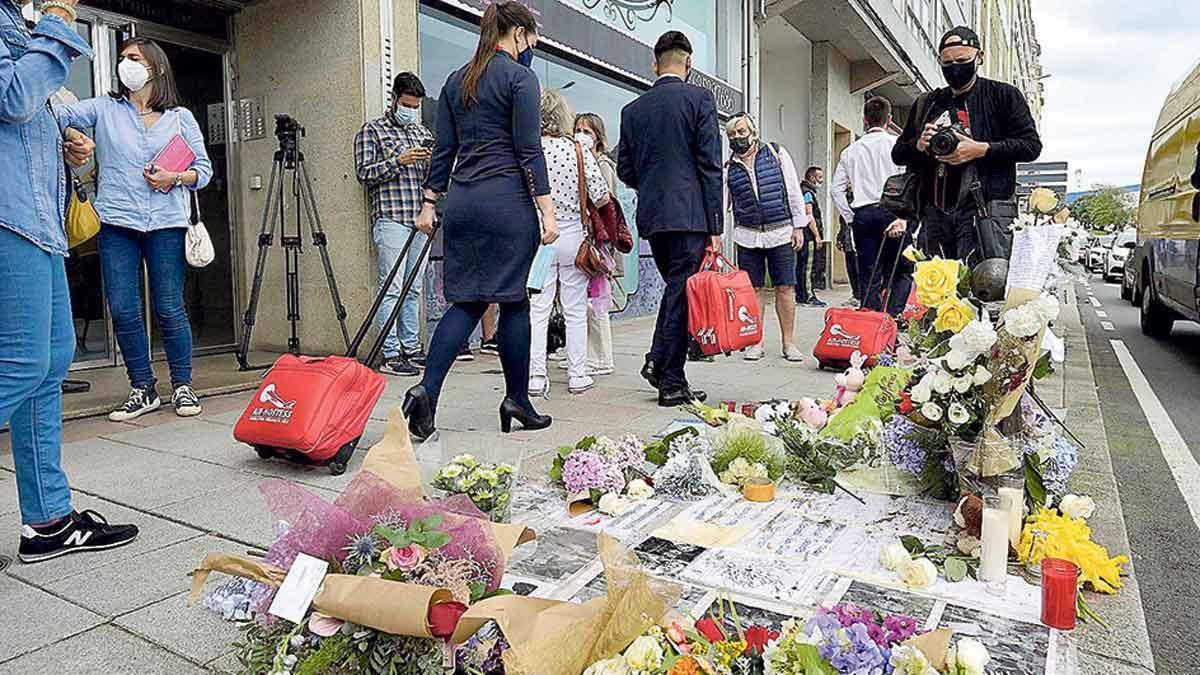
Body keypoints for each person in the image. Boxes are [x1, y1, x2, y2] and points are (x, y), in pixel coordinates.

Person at [2, 0, 139, 563]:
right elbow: (12, 98)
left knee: (50, 363)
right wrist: (58, 17)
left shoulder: (16, 20)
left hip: (37, 220)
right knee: (23, 363)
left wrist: (69, 145)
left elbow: (25, 112)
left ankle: (49, 521)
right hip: (8, 215)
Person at [405, 1, 558, 440]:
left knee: (468, 301)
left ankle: (427, 391)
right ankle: (518, 400)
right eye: (532, 38)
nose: (532, 46)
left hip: (464, 203)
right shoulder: (520, 78)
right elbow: (530, 152)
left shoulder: (457, 80)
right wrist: (547, 211)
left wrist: (429, 203)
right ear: (519, 33)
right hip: (507, 203)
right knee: (513, 301)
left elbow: (443, 150)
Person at [57, 37, 213, 421]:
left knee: (169, 307)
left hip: (165, 224)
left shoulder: (180, 117)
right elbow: (59, 116)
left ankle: (183, 386)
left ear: (155, 68)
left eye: (134, 59)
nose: (125, 64)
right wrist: (71, 134)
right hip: (117, 223)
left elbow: (204, 171)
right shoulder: (105, 108)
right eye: (123, 58)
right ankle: (142, 388)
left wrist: (174, 176)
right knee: (124, 309)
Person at [617, 30, 723, 407]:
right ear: (688, 64)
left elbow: (625, 170)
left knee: (676, 293)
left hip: (654, 218)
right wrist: (715, 226)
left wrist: (653, 183)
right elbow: (710, 165)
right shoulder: (699, 99)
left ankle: (661, 365)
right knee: (680, 295)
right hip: (691, 217)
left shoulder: (632, 110)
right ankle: (669, 379)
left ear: (654, 63)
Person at [893, 26, 1042, 264]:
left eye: (962, 60)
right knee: (934, 292)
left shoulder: (1003, 96)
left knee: (983, 289)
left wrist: (981, 149)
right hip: (935, 214)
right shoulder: (928, 103)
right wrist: (920, 145)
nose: (955, 68)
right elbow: (899, 154)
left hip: (984, 213)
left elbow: (1031, 146)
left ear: (979, 57)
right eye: (948, 62)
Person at [528, 91, 611, 396]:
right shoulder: (577, 150)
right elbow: (601, 196)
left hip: (540, 237)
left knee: (538, 308)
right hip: (574, 236)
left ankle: (536, 377)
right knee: (575, 307)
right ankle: (577, 374)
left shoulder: (530, 150)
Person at [354, 72, 435, 378]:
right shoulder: (371, 131)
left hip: (420, 218)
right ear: (394, 99)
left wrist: (430, 162)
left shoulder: (420, 132)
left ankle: (412, 348)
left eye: (415, 106)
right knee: (392, 287)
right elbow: (363, 174)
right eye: (406, 104)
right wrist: (398, 161)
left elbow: (432, 178)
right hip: (391, 217)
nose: (411, 110)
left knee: (413, 288)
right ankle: (390, 353)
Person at [723, 113, 808, 363]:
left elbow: (793, 189)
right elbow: (723, 203)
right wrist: (717, 234)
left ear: (753, 131)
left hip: (781, 231)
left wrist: (799, 226)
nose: (738, 137)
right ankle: (755, 342)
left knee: (785, 287)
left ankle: (788, 343)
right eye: (732, 134)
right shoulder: (728, 168)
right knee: (753, 290)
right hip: (747, 235)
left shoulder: (776, 153)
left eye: (741, 131)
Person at [831, 96, 911, 316]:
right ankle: (891, 319)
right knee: (902, 270)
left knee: (869, 274)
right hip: (893, 212)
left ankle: (870, 324)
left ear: (865, 120)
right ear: (889, 119)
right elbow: (910, 183)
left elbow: (836, 189)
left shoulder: (850, 151)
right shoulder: (898, 146)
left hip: (863, 214)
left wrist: (850, 218)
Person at [574, 111, 618, 377]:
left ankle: (602, 357)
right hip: (584, 240)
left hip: (598, 242)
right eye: (578, 129)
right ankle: (587, 353)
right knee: (584, 301)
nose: (581, 134)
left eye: (587, 131)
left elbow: (606, 205)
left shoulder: (601, 165)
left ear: (598, 137)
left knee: (597, 301)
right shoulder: (581, 161)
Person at [797, 166, 827, 307]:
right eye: (819, 177)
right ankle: (808, 296)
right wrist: (817, 236)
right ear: (812, 177)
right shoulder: (807, 193)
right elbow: (809, 215)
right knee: (808, 267)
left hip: (803, 235)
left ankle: (801, 295)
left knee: (801, 266)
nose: (821, 180)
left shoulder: (803, 190)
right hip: (808, 236)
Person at [835, 213, 862, 302]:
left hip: (860, 246)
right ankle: (856, 295)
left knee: (860, 272)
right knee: (851, 270)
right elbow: (843, 227)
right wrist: (839, 238)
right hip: (848, 245)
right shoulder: (844, 212)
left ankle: (863, 296)